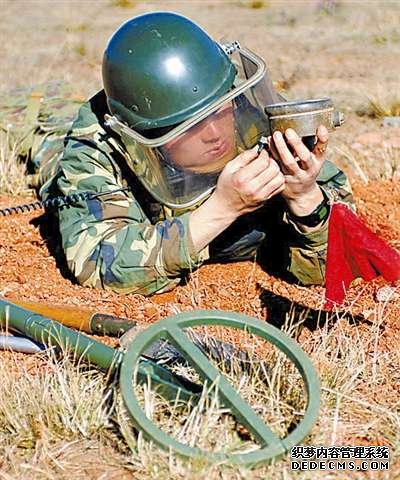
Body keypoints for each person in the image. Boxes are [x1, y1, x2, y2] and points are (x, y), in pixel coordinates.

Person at [37, 12, 354, 295]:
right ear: (148, 134)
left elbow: (339, 259)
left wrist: (305, 198)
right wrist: (222, 209)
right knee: (44, 132)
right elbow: (98, 261)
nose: (214, 133)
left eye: (219, 110)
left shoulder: (241, 102)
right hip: (59, 143)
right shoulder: (101, 145)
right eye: (190, 126)